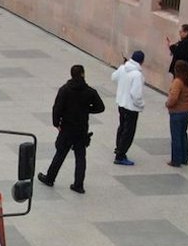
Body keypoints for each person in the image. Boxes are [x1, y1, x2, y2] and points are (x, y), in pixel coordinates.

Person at [38, 65, 105, 194]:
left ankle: (50, 178)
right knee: (80, 157)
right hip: (81, 129)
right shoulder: (90, 91)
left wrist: (56, 123)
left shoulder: (65, 90)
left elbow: (57, 108)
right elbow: (100, 107)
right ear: (83, 74)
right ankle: (78, 185)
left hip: (67, 128)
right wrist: (86, 109)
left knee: (60, 154)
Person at [110, 51, 146, 166]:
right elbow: (136, 94)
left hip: (121, 103)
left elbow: (113, 77)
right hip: (131, 107)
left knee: (122, 127)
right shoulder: (137, 74)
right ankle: (120, 155)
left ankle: (118, 147)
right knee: (128, 132)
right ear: (142, 61)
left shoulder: (123, 68)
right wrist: (141, 105)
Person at [165, 60, 188, 167]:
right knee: (183, 134)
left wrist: (167, 104)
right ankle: (184, 157)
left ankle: (176, 160)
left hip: (177, 112)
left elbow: (173, 98)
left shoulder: (178, 82)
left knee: (176, 136)